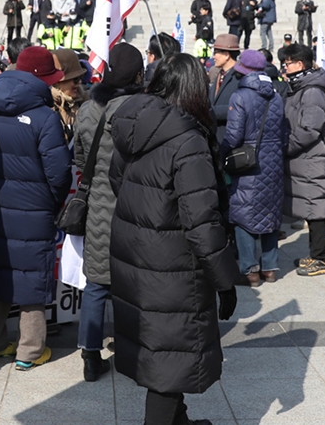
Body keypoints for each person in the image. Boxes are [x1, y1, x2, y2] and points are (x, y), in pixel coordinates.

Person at [109, 54, 239, 425]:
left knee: (165, 353)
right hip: (173, 265)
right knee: (169, 363)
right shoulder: (188, 139)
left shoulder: (132, 121)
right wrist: (225, 281)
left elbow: (117, 180)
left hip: (138, 253)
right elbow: (201, 221)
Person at [0, 47, 72, 371]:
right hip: (36, 208)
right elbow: (59, 172)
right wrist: (52, 200)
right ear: (41, 79)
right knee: (32, 276)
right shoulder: (45, 117)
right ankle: (30, 351)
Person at [73, 45, 146, 382]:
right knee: (132, 286)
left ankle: (90, 355)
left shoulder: (87, 109)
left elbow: (79, 159)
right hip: (134, 207)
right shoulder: (142, 109)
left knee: (97, 285)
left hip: (98, 208)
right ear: (138, 75)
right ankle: (130, 351)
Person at [221, 50, 288, 285]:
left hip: (247, 162)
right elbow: (283, 132)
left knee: (243, 213)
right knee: (269, 213)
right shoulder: (277, 96)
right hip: (273, 162)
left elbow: (234, 136)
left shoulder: (240, 96)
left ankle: (250, 270)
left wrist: (221, 155)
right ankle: (270, 268)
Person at [282, 44, 325, 277]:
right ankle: (315, 255)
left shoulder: (312, 91)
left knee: (315, 208)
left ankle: (321, 259)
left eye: (288, 62)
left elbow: (309, 129)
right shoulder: (300, 88)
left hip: (312, 156)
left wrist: (286, 147)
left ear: (301, 64)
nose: (285, 66)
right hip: (305, 157)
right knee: (310, 206)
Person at [208, 33, 243, 142]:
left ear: (227, 55)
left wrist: (210, 111)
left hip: (230, 138)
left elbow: (238, 108)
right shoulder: (219, 74)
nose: (213, 57)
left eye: (216, 53)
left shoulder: (240, 76)